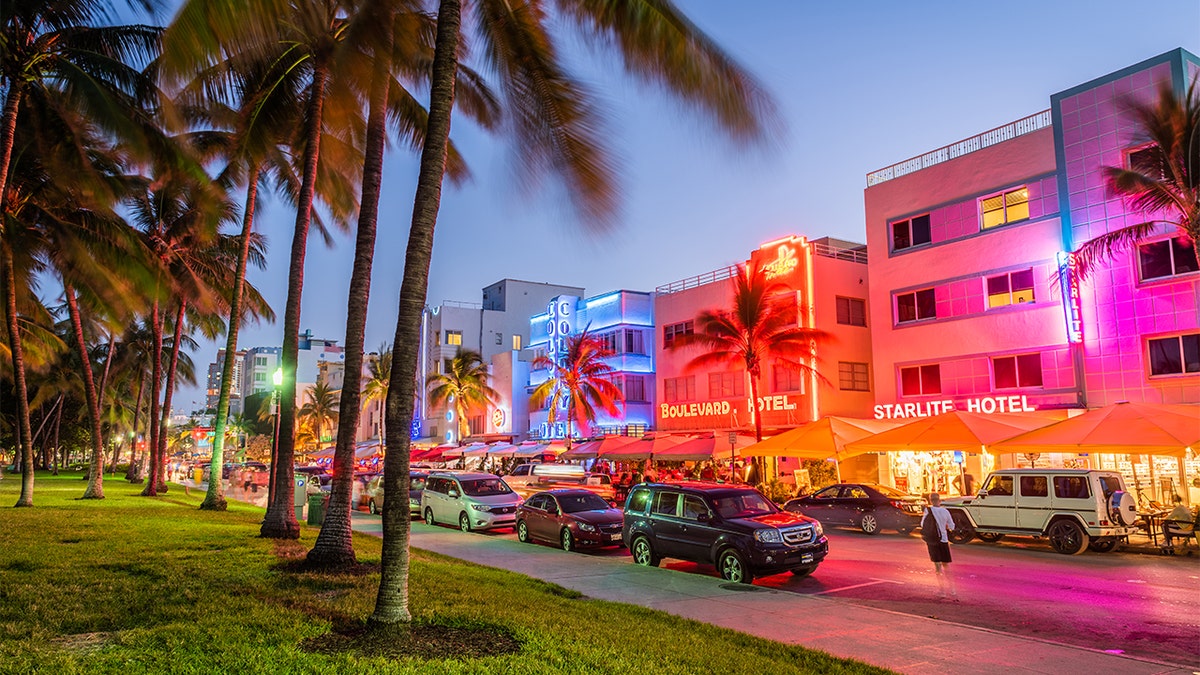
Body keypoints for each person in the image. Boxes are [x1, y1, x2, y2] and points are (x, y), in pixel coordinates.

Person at [921, 493, 957, 599]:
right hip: (944, 541)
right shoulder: (945, 511)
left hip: (933, 541)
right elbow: (952, 526)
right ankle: (952, 589)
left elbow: (923, 524)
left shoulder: (928, 510)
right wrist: (945, 526)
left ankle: (942, 590)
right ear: (939, 500)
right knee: (946, 565)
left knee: (938, 567)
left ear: (931, 500)